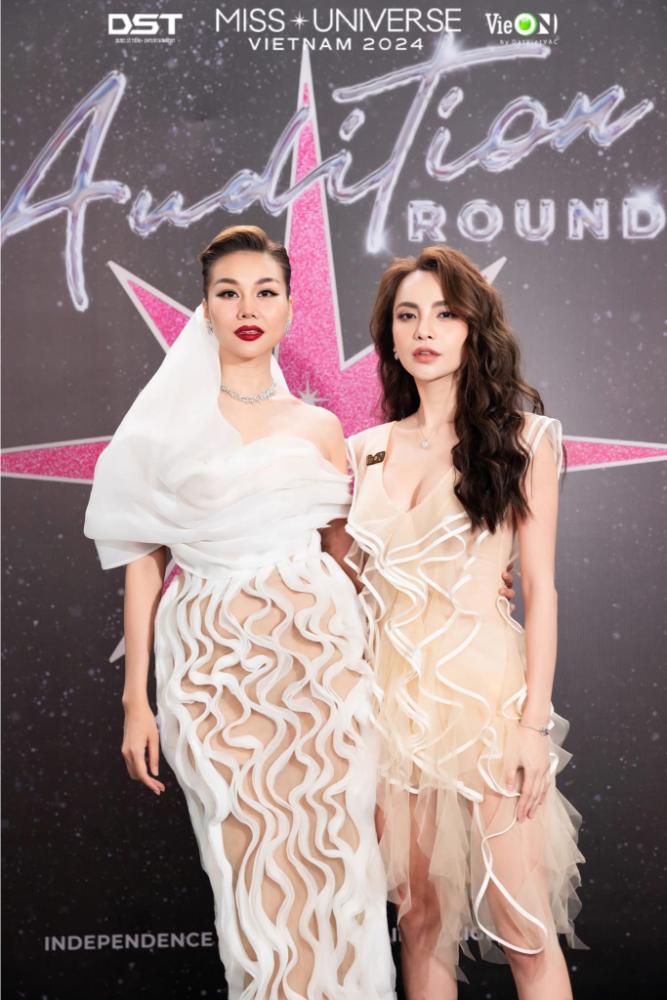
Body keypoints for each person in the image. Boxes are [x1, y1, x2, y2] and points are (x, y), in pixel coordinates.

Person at [83, 225, 396, 1000]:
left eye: (265, 292)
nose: (248, 309)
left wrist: (445, 578)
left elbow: (347, 557)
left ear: (289, 306)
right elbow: (143, 562)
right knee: (250, 866)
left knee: (335, 857)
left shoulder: (321, 429)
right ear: (206, 307)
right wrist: (135, 700)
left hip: (320, 664)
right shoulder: (162, 427)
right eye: (229, 293)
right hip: (210, 666)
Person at [344, 245, 584, 1000]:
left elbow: (539, 589)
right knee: (420, 922)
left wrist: (532, 725)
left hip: (487, 707)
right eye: (407, 315)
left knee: (522, 924)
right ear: (389, 335)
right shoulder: (361, 451)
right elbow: (340, 586)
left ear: (473, 328)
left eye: (444, 314)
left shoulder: (525, 439)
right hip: (388, 713)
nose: (424, 331)